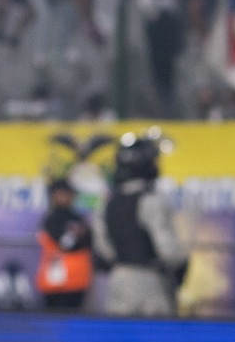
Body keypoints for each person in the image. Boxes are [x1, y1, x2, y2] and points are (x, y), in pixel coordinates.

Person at [92, 134, 188, 317]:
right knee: (155, 341)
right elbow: (169, 252)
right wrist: (181, 261)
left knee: (121, 341)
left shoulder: (107, 203)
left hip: (118, 279)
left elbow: (104, 248)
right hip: (150, 282)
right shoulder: (151, 201)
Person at [36, 179, 93, 310]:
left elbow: (88, 241)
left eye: (69, 194)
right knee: (54, 323)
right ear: (54, 195)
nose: (67, 197)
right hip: (56, 282)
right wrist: (77, 235)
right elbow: (65, 244)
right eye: (63, 193)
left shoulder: (78, 217)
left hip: (78, 281)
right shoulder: (52, 219)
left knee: (74, 323)